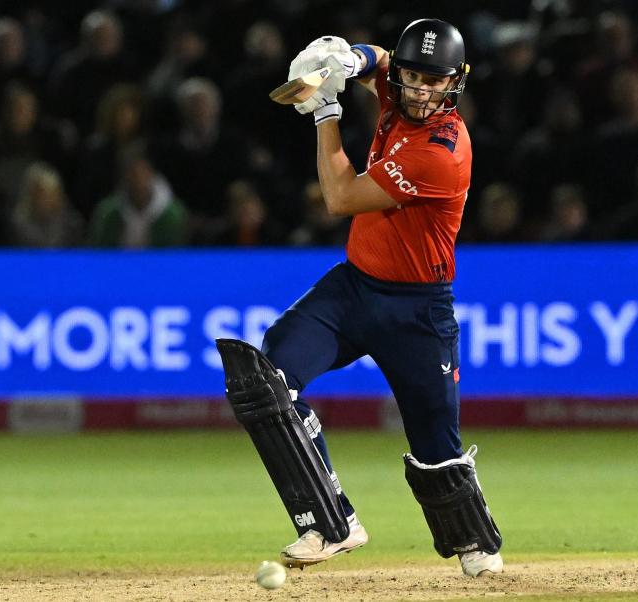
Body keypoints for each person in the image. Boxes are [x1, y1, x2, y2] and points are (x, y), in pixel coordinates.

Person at [215, 19, 503, 579]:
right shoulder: (405, 83)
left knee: (436, 449)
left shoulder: (442, 151)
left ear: (455, 83)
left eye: (433, 82)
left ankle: (474, 543)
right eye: (412, 78)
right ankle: (329, 522)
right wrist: (346, 58)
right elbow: (379, 62)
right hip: (354, 286)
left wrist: (326, 111)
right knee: (266, 377)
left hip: (418, 309)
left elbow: (340, 196)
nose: (418, 92)